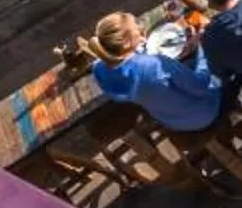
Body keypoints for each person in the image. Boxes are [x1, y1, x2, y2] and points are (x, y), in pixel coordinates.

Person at [84, 9, 226, 136]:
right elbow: (201, 85)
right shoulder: (156, 64)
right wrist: (201, 48)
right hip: (203, 114)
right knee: (222, 61)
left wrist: (140, 50)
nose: (140, 27)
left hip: (171, 121)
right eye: (136, 27)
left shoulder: (98, 69)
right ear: (126, 42)